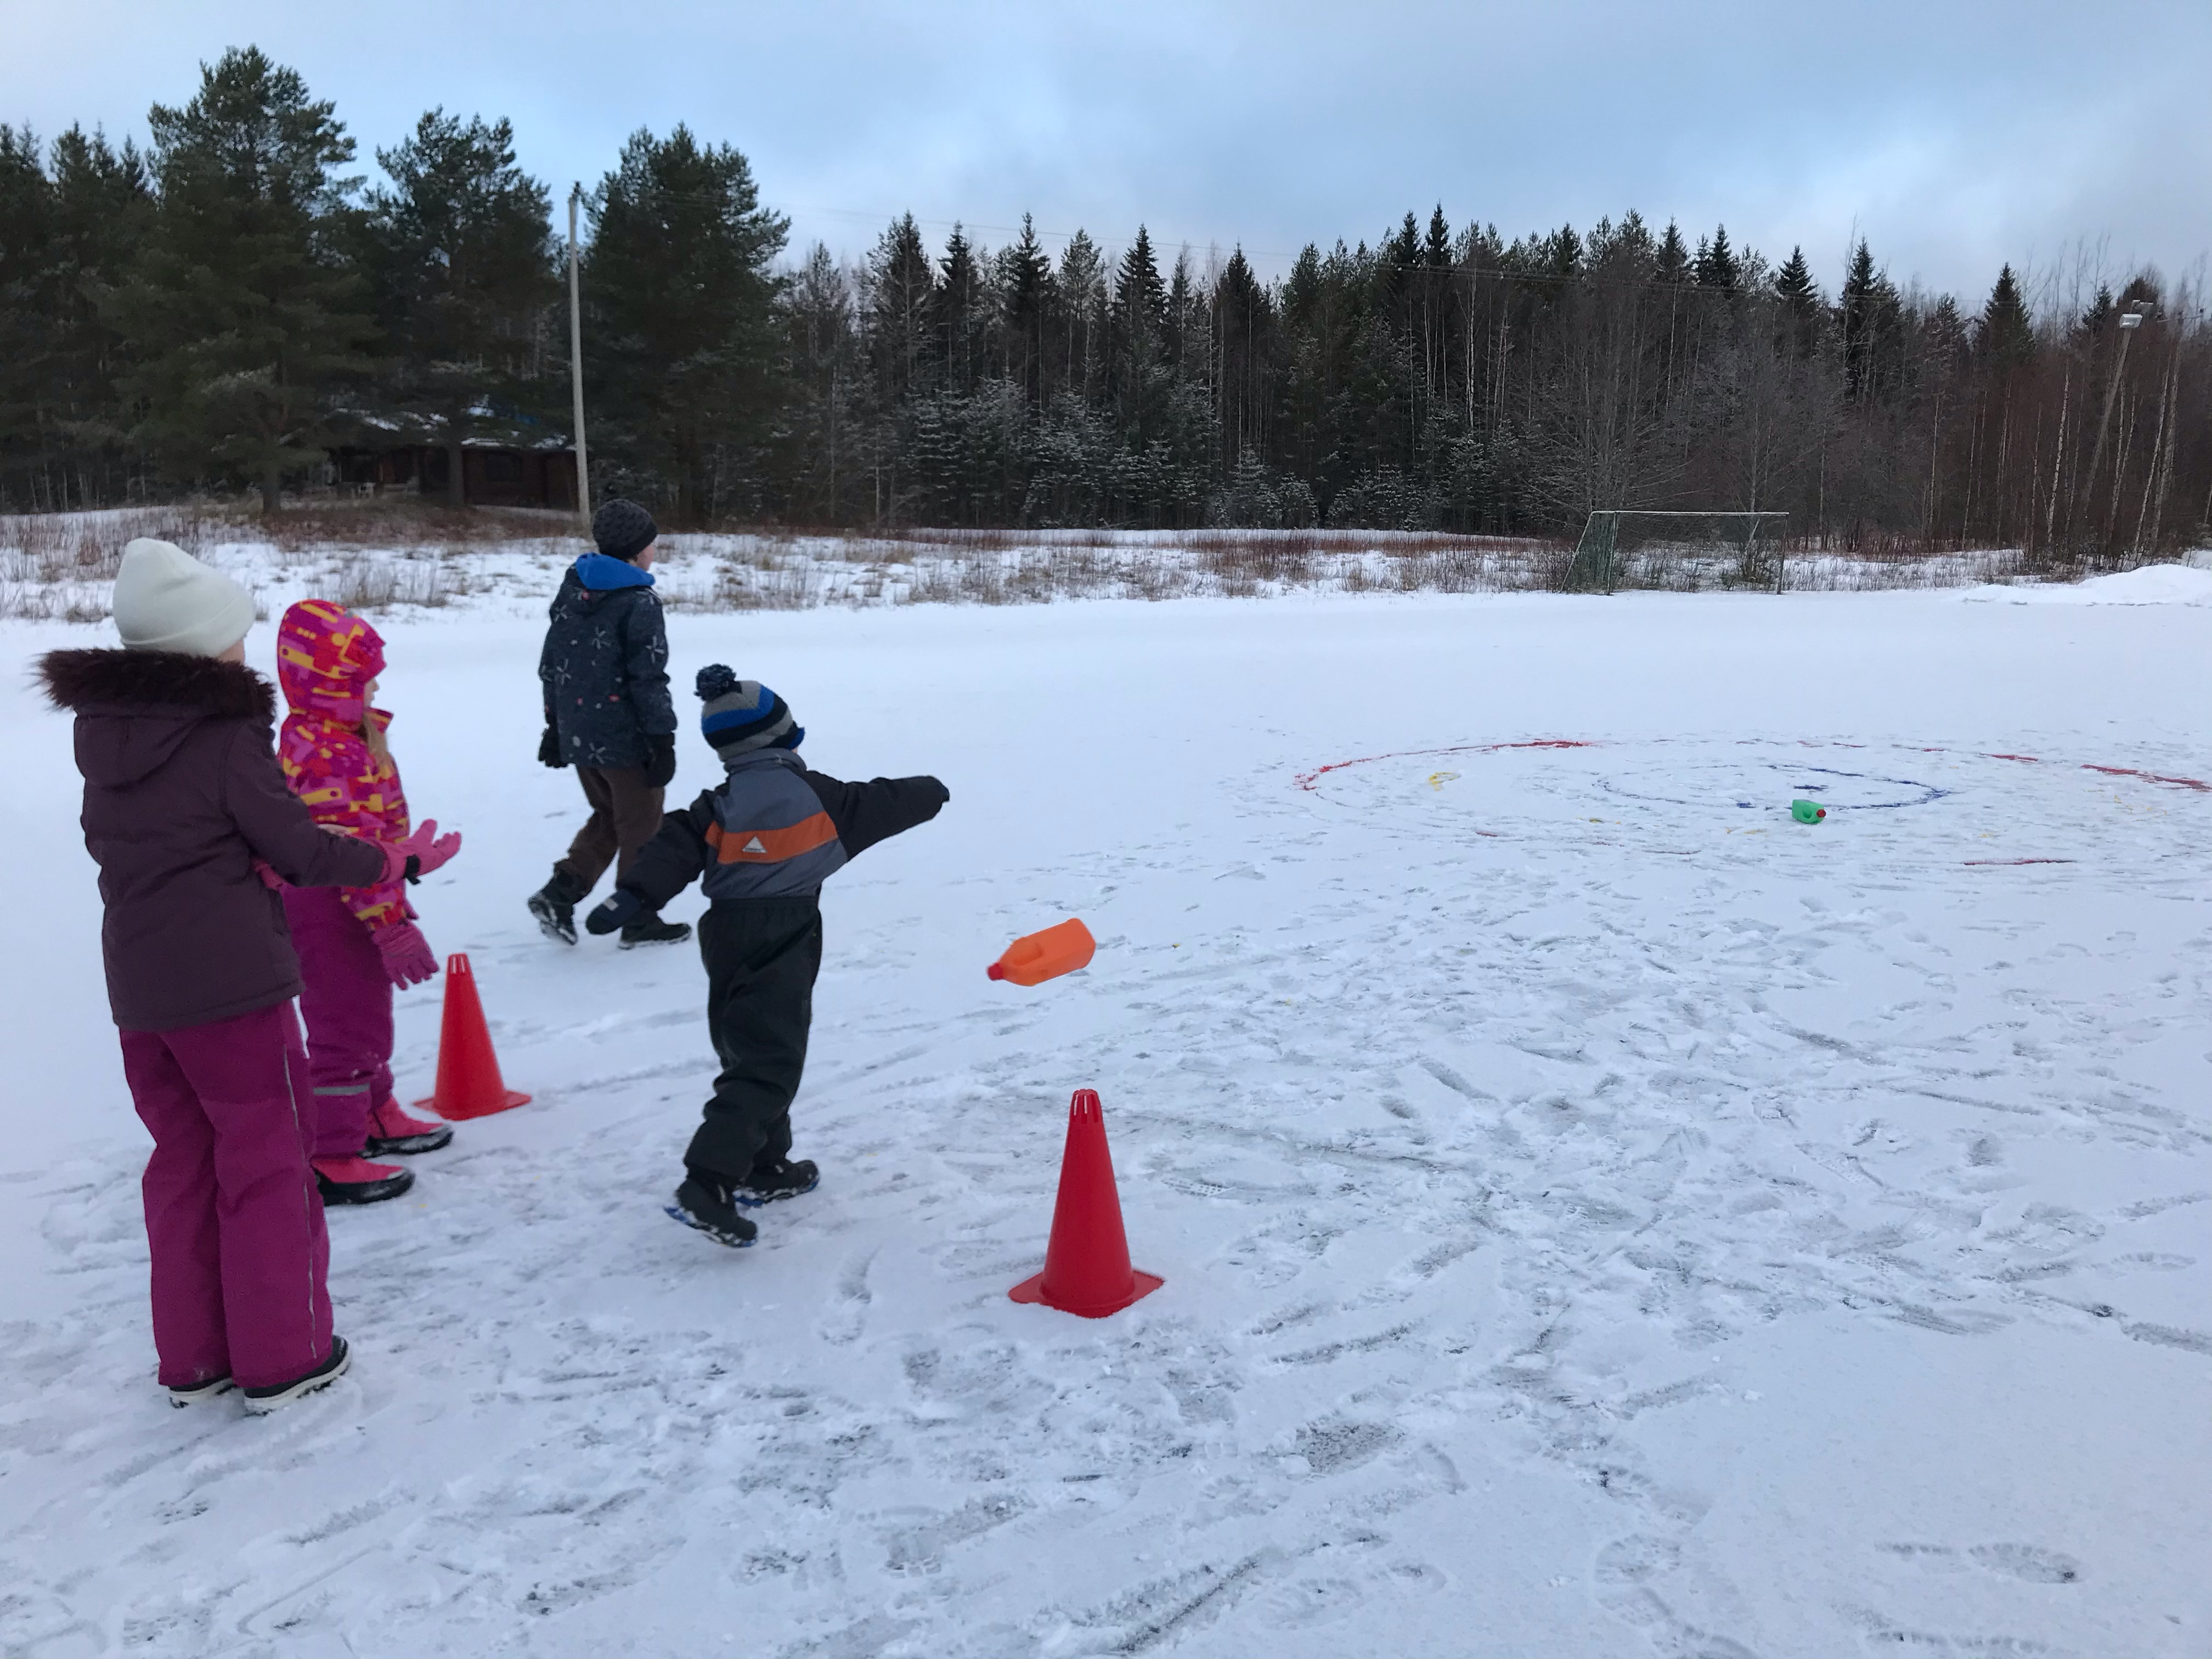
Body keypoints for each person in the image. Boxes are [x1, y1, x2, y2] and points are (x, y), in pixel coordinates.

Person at [40, 540, 459, 1412]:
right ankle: (284, 1356)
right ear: (200, 646)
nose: (244, 648)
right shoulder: (223, 736)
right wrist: (395, 862)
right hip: (232, 987)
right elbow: (303, 849)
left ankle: (194, 1360)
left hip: (143, 988)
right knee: (267, 1160)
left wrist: (231, 860)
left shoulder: (106, 732)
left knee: (185, 1161)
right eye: (232, 634)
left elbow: (146, 843)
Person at [584, 666, 949, 1245]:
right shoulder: (823, 798)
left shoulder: (716, 806)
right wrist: (932, 790)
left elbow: (673, 847)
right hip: (786, 934)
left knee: (749, 1048)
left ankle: (766, 1166)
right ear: (788, 735)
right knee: (770, 1062)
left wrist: (634, 895)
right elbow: (885, 801)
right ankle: (707, 1182)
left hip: (725, 936)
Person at [275, 599, 458, 1206]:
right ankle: (331, 1154)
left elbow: (373, 838)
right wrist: (389, 923)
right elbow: (350, 854)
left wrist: (406, 861)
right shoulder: (328, 755)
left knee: (365, 1018)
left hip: (353, 902)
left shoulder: (336, 737)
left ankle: (373, 1114)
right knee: (344, 1030)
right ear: (330, 684)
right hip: (333, 908)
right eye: (362, 678)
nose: (375, 686)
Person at [528, 498, 689, 949]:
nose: (655, 551)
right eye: (652, 544)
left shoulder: (573, 589)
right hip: (626, 737)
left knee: (610, 817)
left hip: (581, 732)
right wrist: (662, 738)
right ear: (637, 550)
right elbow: (648, 677)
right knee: (642, 823)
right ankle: (638, 916)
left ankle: (560, 893)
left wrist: (556, 727)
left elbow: (552, 665)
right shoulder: (639, 602)